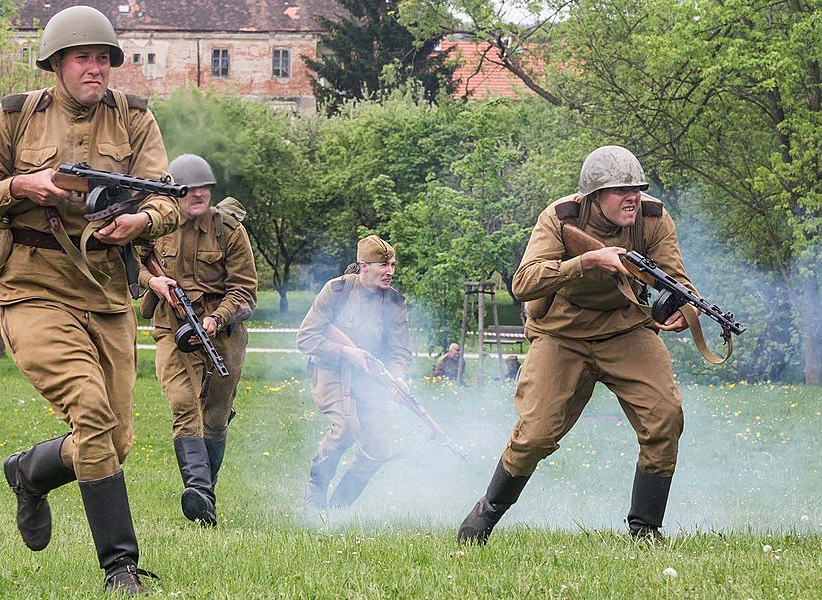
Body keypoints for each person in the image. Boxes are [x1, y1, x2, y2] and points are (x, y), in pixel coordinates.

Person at [0, 6, 179, 594]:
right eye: (83, 57)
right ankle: (120, 567)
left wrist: (140, 222)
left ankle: (29, 472)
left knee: (115, 441)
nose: (95, 68)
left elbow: (168, 201)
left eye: (104, 58)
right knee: (90, 411)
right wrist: (20, 186)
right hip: (33, 289)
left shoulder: (135, 120)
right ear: (56, 62)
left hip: (106, 294)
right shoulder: (13, 118)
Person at [458, 145, 692, 544]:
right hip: (562, 333)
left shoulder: (653, 219)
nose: (632, 196)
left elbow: (677, 281)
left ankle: (646, 530)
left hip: (626, 329)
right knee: (534, 434)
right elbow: (523, 282)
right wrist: (586, 262)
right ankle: (487, 513)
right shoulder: (559, 217)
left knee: (665, 417)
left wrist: (686, 311)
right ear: (593, 196)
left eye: (636, 187)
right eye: (620, 190)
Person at [138, 154, 257, 526]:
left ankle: (206, 495)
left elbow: (245, 291)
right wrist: (152, 281)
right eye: (191, 190)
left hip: (222, 333)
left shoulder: (228, 229)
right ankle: (198, 491)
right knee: (182, 403)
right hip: (170, 327)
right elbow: (131, 260)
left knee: (216, 417)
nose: (199, 195)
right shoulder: (155, 224)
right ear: (175, 192)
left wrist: (216, 318)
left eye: (205, 189)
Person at [296, 235, 412, 510]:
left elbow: (400, 351)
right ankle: (315, 493)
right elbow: (305, 339)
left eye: (393, 265)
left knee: (378, 448)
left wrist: (398, 377)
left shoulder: (394, 302)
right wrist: (348, 353)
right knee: (346, 427)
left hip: (369, 376)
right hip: (330, 370)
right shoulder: (336, 291)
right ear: (363, 266)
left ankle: (340, 505)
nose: (390, 272)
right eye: (383, 265)